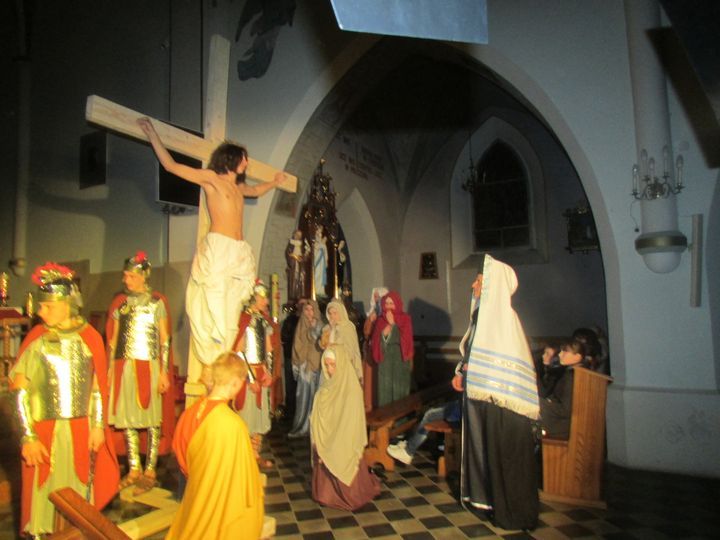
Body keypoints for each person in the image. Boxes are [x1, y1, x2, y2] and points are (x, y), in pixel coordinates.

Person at [137, 117, 286, 385]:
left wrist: (274, 182)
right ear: (231, 158)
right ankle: (210, 363)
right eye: (244, 159)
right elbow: (172, 166)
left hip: (238, 252)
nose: (247, 163)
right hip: (219, 248)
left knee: (233, 306)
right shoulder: (212, 179)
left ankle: (221, 360)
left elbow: (256, 190)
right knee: (214, 304)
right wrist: (152, 136)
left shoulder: (239, 188)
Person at [10, 263, 119, 537]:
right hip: (44, 433)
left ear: (67, 305)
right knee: (41, 496)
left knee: (78, 494)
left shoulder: (90, 338)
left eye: (47, 306)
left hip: (80, 430)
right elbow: (19, 393)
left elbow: (98, 388)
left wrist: (97, 425)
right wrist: (28, 436)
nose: (40, 312)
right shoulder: (36, 340)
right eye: (41, 306)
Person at [452, 255, 540, 531]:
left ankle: (513, 513)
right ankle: (490, 503)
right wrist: (462, 372)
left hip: (505, 405)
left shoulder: (504, 320)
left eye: (479, 281)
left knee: (507, 459)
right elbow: (473, 354)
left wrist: (477, 375)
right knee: (489, 454)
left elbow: (507, 365)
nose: (473, 285)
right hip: (486, 401)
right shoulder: (482, 318)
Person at [167, 352, 264, 540]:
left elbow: (181, 453)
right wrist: (250, 453)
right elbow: (243, 484)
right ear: (235, 383)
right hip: (221, 510)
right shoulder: (233, 425)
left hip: (196, 496)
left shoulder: (190, 413)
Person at [106, 251, 174, 494]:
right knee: (128, 420)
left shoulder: (156, 303)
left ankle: (150, 469)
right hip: (125, 367)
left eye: (131, 276)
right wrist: (110, 370)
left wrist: (164, 372)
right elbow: (114, 341)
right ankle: (134, 468)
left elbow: (164, 340)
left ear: (143, 276)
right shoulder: (121, 305)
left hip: (150, 365)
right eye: (125, 276)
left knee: (152, 419)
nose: (126, 280)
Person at [310, 345, 381, 510]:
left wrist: (336, 439)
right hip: (328, 438)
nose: (329, 370)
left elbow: (352, 422)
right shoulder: (325, 388)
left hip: (344, 438)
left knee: (339, 450)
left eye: (333, 365)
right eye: (326, 365)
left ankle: (347, 494)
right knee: (326, 449)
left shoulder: (351, 388)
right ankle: (326, 494)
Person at [232, 280, 275, 469]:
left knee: (259, 416)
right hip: (246, 374)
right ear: (254, 298)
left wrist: (268, 373)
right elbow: (239, 350)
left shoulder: (263, 320)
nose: (266, 302)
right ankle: (244, 456)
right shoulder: (245, 319)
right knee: (246, 416)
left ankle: (255, 454)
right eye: (263, 298)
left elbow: (269, 349)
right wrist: (250, 379)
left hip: (261, 372)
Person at [371, 291, 414, 406]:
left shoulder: (405, 319)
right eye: (387, 303)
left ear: (397, 304)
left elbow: (407, 339)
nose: (389, 306)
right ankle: (386, 416)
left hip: (400, 358)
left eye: (391, 303)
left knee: (400, 389)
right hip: (385, 360)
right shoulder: (380, 320)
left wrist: (393, 324)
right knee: (385, 389)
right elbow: (376, 340)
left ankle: (402, 415)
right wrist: (387, 329)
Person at [540, 338, 589, 439]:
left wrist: (541, 402)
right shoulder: (576, 373)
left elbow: (566, 410)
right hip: (566, 424)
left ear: (577, 357)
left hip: (562, 426)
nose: (560, 354)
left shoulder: (571, 376)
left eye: (565, 351)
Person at [288, 299, 324, 438]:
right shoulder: (300, 324)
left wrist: (314, 328)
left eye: (311, 310)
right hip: (304, 366)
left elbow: (321, 342)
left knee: (315, 397)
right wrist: (297, 362)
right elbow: (296, 345)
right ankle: (301, 426)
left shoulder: (320, 324)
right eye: (306, 310)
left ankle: (314, 427)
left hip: (316, 365)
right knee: (302, 397)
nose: (309, 313)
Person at [386, 399, 461, 465]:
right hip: (461, 405)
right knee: (429, 410)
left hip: (462, 410)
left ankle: (408, 451)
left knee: (429, 415)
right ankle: (408, 445)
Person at [362, 287, 387, 411]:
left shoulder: (387, 314)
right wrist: (370, 320)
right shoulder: (372, 313)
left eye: (379, 296)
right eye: (375, 296)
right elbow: (366, 332)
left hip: (383, 350)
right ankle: (369, 404)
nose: (377, 299)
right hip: (371, 350)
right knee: (370, 379)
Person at [323, 300, 362, 381]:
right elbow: (324, 346)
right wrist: (332, 330)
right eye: (330, 313)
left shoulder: (348, 327)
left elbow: (353, 351)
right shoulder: (326, 328)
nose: (332, 316)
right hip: (330, 367)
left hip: (345, 366)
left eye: (335, 313)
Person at [285, 229, 308, 300]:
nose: (298, 237)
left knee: (300, 280)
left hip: (301, 266)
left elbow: (305, 256)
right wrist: (294, 257)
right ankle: (293, 296)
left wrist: (304, 256)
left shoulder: (302, 245)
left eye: (300, 235)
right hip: (293, 266)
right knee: (293, 281)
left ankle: (300, 295)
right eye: (297, 235)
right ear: (294, 235)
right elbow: (288, 254)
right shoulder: (291, 244)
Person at [312, 225, 329, 297]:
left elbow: (325, 252)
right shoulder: (314, 241)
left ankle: (321, 291)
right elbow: (315, 249)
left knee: (322, 276)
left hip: (322, 261)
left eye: (321, 231)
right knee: (317, 275)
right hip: (317, 260)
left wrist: (326, 260)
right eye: (319, 231)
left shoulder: (322, 242)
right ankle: (316, 291)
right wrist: (321, 245)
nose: (320, 233)